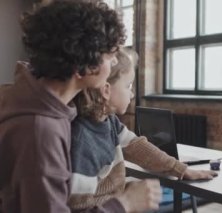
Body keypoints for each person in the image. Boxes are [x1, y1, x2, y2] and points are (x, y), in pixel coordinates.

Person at [0, 1, 160, 212]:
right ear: (84, 65)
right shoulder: (41, 131)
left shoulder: (31, 97)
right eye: (109, 57)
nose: (113, 64)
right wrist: (125, 203)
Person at [69, 48, 217, 210]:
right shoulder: (82, 141)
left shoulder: (110, 122)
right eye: (128, 86)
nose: (132, 94)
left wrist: (180, 169)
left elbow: (136, 146)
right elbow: (80, 207)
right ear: (106, 90)